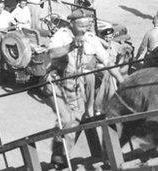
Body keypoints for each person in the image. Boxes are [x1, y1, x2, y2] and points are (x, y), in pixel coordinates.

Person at [42, 9, 124, 168]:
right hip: (56, 82)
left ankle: (64, 156)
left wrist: (121, 79)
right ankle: (59, 157)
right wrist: (71, 46)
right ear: (71, 23)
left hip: (75, 82)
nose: (85, 28)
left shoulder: (91, 39)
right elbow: (51, 54)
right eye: (81, 25)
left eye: (87, 25)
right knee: (67, 119)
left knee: (79, 118)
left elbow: (107, 62)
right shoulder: (61, 35)